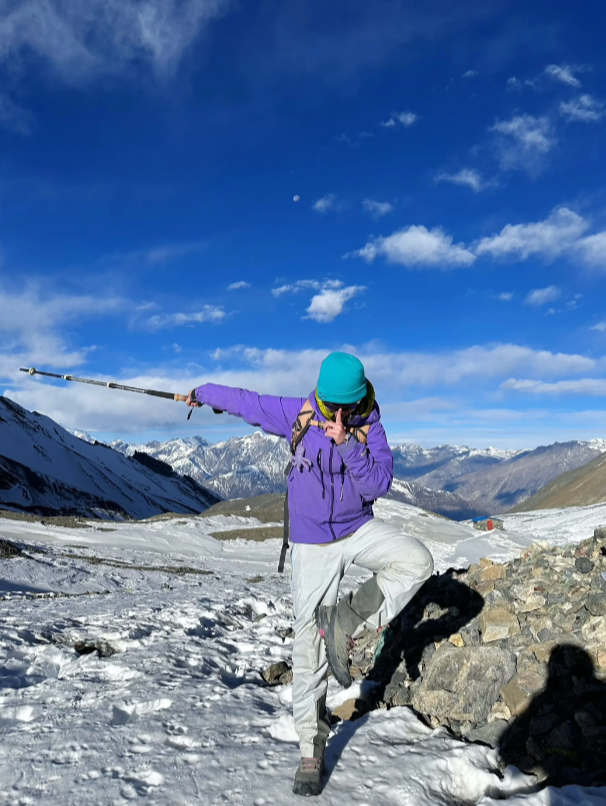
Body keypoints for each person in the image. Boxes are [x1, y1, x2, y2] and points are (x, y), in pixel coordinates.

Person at [187, 351, 434, 797]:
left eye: (344, 407)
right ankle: (310, 747)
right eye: (327, 405)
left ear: (359, 401)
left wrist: (346, 443)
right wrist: (203, 394)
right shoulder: (298, 413)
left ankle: (346, 618)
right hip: (311, 541)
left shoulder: (369, 426)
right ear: (318, 395)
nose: (334, 414)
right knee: (307, 644)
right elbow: (248, 401)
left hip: (357, 527)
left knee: (417, 561)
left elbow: (378, 484)